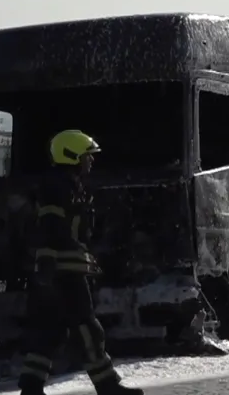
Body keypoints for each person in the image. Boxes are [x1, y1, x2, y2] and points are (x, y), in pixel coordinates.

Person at [17, 130, 143, 395]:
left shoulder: (65, 183)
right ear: (71, 156)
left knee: (49, 330)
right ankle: (107, 386)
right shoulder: (59, 186)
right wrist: (50, 258)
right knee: (87, 328)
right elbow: (51, 223)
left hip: (59, 270)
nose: (91, 162)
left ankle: (31, 386)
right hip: (65, 272)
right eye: (87, 156)